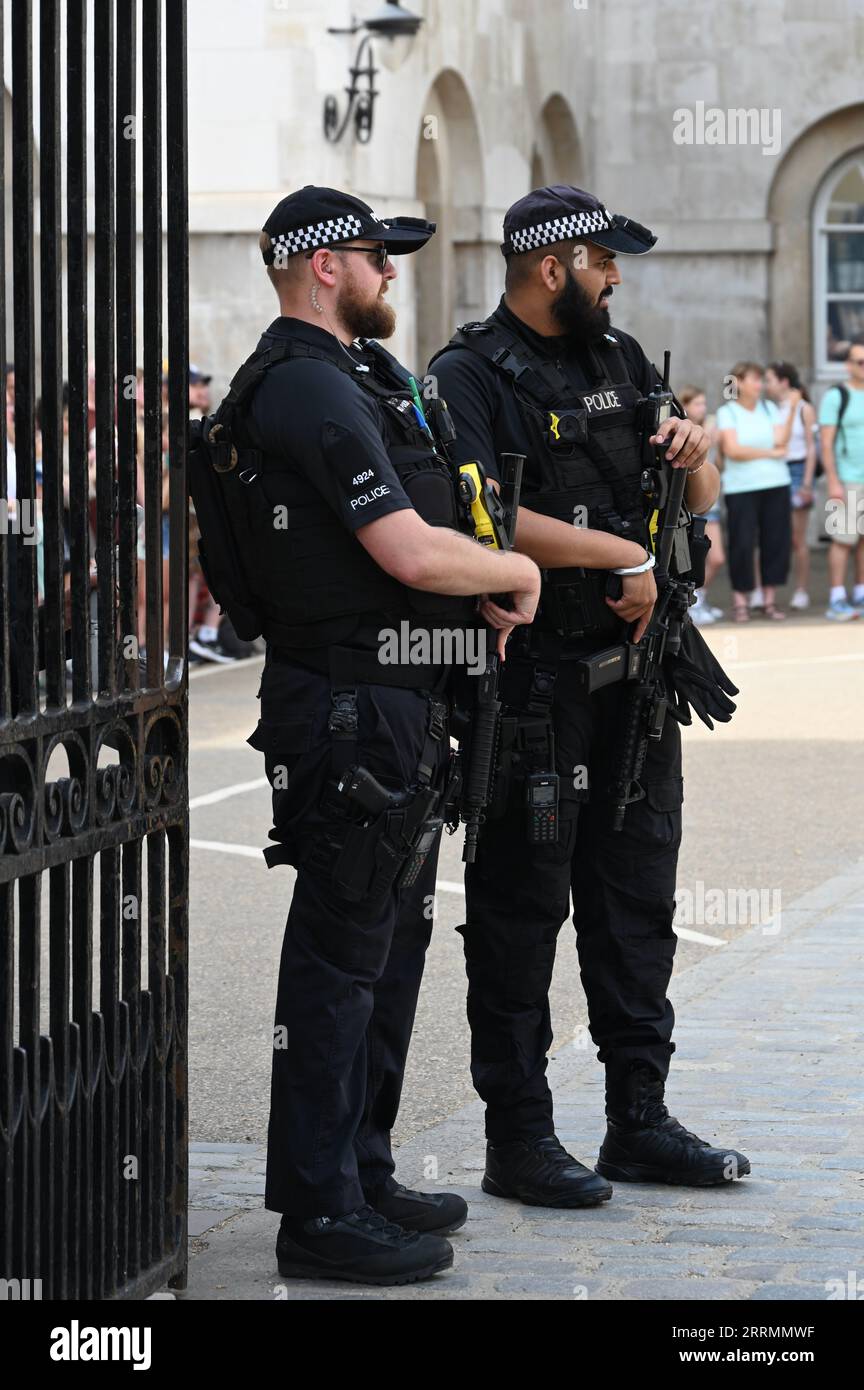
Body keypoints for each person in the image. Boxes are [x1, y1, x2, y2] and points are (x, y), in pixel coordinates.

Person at [231, 186, 541, 1283]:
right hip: (349, 712)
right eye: (377, 255)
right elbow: (408, 551)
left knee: (388, 949)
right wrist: (517, 570)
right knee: (340, 958)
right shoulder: (306, 384)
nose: (393, 272)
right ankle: (318, 1210)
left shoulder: (356, 378)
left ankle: (360, 1167)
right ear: (323, 266)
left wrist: (483, 579)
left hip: (399, 703)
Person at [429, 184, 749, 1208]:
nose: (617, 279)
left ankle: (638, 1122)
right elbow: (482, 520)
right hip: (535, 689)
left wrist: (697, 456)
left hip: (638, 684)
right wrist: (614, 553)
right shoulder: (467, 373)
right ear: (553, 263)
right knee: (523, 909)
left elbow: (690, 496)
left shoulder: (619, 358)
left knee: (637, 899)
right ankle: (518, 1139)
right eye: (605, 261)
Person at [715, 362, 800, 622]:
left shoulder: (770, 408)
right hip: (742, 487)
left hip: (776, 484)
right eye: (754, 379)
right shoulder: (727, 412)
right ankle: (741, 601)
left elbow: (782, 442)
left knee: (775, 542)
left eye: (761, 380)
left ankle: (768, 600)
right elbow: (733, 450)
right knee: (742, 542)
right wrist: (769, 453)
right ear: (738, 382)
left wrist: (793, 407)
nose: (759, 385)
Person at [764, 362, 817, 612]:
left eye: (770, 380)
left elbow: (811, 447)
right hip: (775, 470)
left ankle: (801, 590)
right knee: (768, 535)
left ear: (784, 382)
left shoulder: (804, 408)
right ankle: (761, 591)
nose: (766, 385)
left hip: (796, 471)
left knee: (797, 538)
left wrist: (807, 483)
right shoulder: (772, 409)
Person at [818, 336, 864, 621]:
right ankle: (836, 597)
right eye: (860, 361)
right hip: (847, 480)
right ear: (848, 365)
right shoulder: (837, 396)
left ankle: (860, 592)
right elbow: (825, 444)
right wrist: (833, 481)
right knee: (843, 540)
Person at [679, 385, 725, 624]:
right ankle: (691, 602)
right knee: (690, 557)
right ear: (684, 406)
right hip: (686, 508)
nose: (703, 408)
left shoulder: (710, 428)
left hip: (710, 502)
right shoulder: (679, 432)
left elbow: (717, 464)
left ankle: (699, 597)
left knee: (716, 557)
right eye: (697, 403)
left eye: (704, 403)